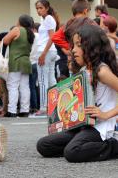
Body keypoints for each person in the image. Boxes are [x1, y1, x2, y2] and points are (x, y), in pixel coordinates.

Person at [37, 24, 118, 163]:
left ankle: (114, 146)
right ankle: (84, 146)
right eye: (73, 45)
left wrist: (106, 114)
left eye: (78, 45)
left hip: (100, 126)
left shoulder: (102, 71)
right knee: (44, 145)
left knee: (72, 152)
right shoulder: (84, 70)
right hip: (83, 124)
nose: (73, 50)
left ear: (92, 46)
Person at [3, 14, 35, 117]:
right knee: (25, 87)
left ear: (20, 22)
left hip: (15, 61)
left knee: (13, 86)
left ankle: (11, 110)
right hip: (26, 62)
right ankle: (24, 110)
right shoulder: (31, 33)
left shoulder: (17, 29)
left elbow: (5, 41)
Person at [35, 0, 60, 115]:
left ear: (47, 8)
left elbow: (52, 37)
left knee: (43, 80)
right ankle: (55, 104)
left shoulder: (49, 19)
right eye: (37, 8)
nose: (38, 10)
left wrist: (43, 53)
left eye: (41, 8)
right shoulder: (47, 19)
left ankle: (44, 107)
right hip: (51, 51)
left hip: (46, 51)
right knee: (50, 79)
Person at [29, 22, 40, 114]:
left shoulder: (32, 36)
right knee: (37, 85)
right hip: (38, 63)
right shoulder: (40, 36)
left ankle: (34, 106)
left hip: (31, 62)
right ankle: (38, 105)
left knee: (31, 86)